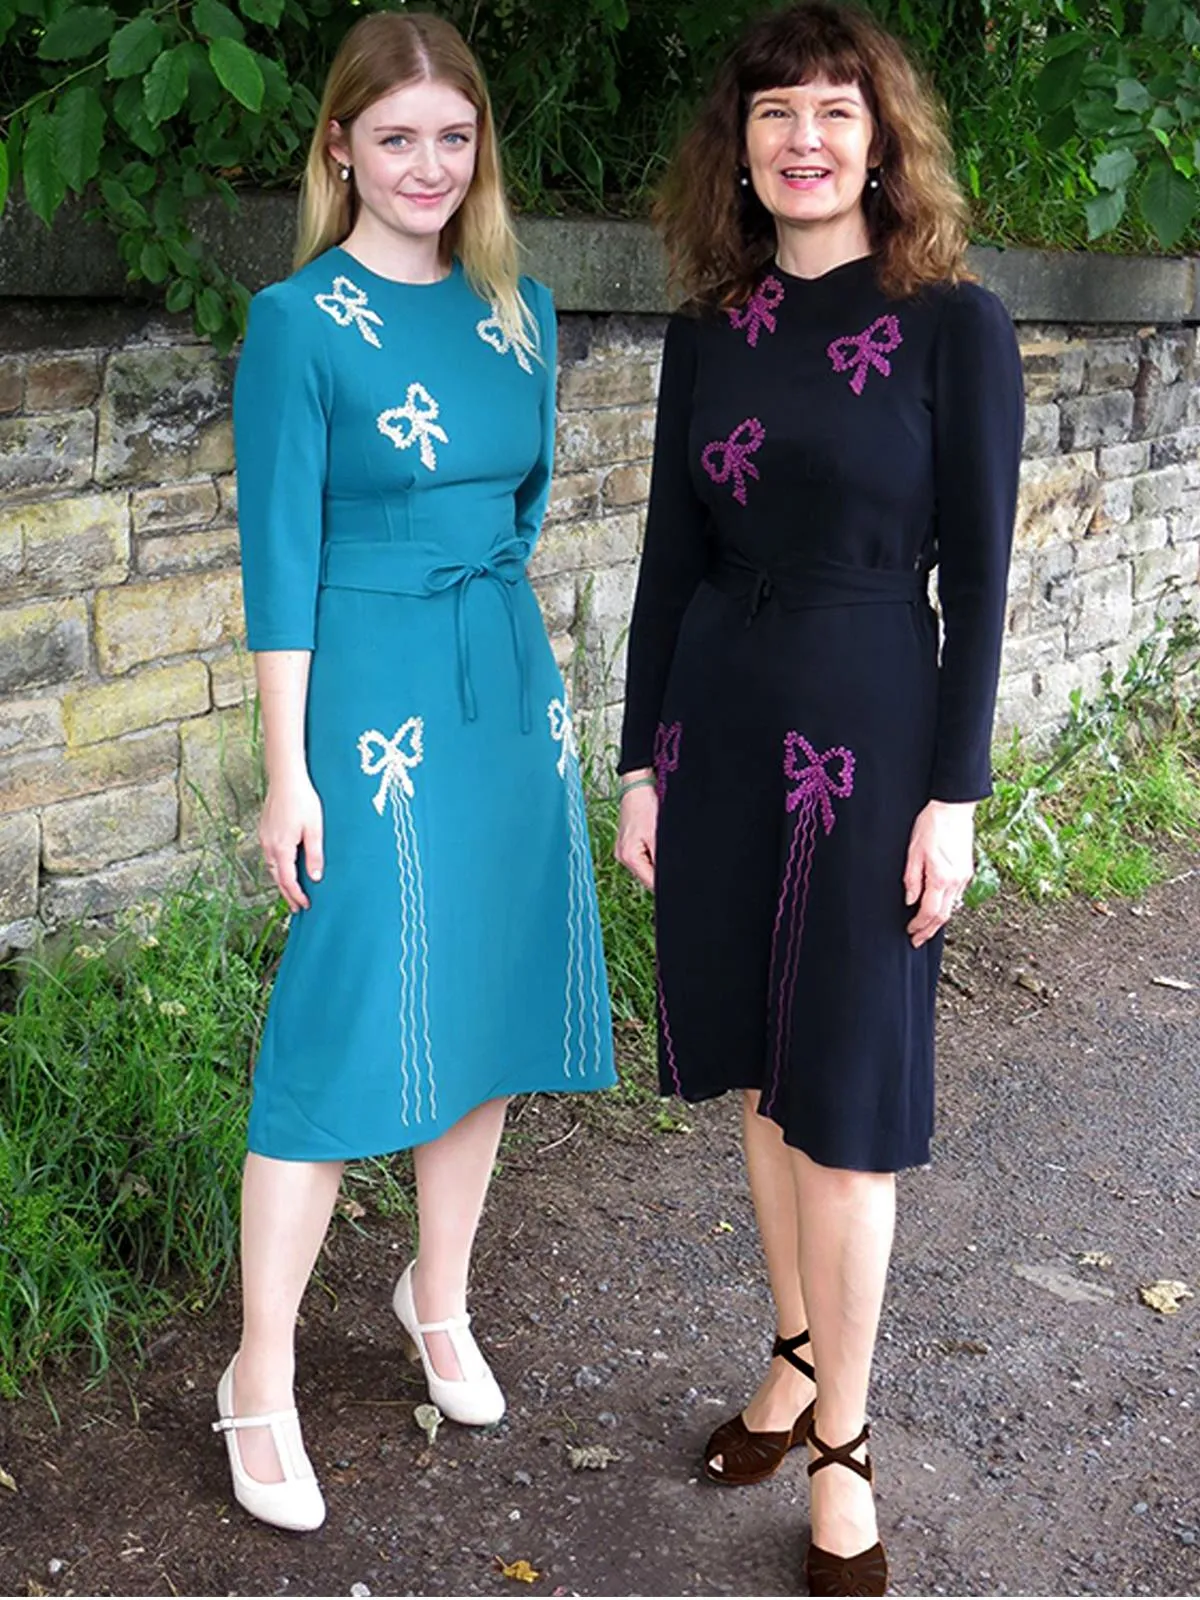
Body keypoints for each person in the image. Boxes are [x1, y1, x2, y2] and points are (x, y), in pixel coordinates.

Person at [615, 3, 1023, 1593]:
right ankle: (789, 1361)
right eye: (773, 111)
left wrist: (957, 798)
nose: (802, 138)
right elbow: (668, 563)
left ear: (881, 138)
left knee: (845, 1112)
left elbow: (981, 585)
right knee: (764, 1077)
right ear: (740, 145)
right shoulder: (707, 329)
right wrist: (643, 759)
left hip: (871, 730)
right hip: (720, 729)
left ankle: (845, 1446)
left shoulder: (952, 325)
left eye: (834, 112)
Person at [219, 10, 616, 1533]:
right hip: (364, 689)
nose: (428, 166)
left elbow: (521, 507)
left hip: (506, 689)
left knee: (494, 999)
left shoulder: (524, 310)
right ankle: (261, 1372)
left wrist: (513, 667)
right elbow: (280, 559)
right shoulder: (296, 323)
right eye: (397, 138)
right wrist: (287, 771)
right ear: (340, 147)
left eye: (455, 138)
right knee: (337, 1026)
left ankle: (432, 1297)